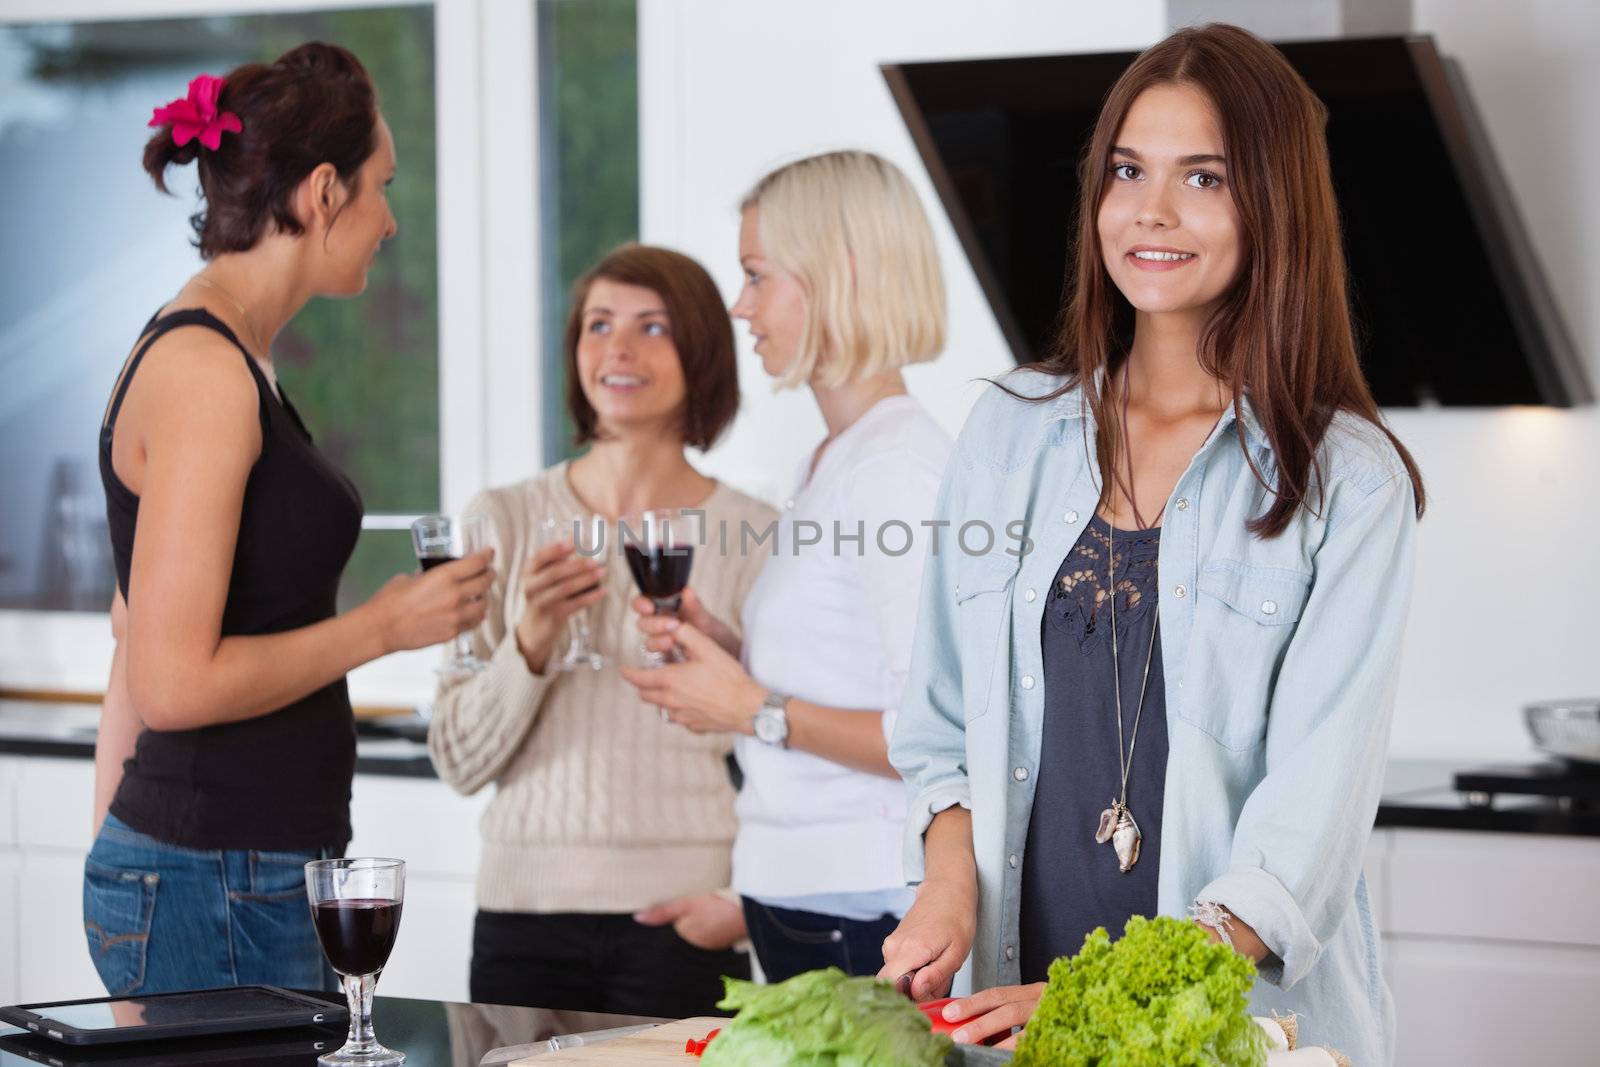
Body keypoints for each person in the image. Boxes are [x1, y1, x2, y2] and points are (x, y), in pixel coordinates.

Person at [878, 24, 1424, 1066]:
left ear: (1272, 205)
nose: (1150, 211)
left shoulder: (1348, 482)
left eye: (1203, 177)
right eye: (1127, 170)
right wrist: (945, 887)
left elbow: (1300, 841)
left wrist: (1090, 997)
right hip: (1008, 1027)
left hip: (1227, 1037)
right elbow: (939, 722)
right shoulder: (1008, 429)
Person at [85, 43, 493, 996]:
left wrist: (115, 869)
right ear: (322, 193)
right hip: (215, 877)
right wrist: (384, 627)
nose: (390, 219)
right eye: (381, 186)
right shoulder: (203, 373)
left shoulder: (234, 359)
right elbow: (173, 682)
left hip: (217, 875)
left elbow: (128, 629)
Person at [621, 150, 951, 982]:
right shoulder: (836, 457)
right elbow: (849, 669)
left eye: (758, 275)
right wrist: (732, 655)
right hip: (805, 891)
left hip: (860, 898)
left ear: (835, 274)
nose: (741, 304)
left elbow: (939, 737)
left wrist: (750, 706)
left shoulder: (895, 469)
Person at [427, 244, 776, 1018]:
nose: (617, 348)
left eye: (652, 327)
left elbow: (785, 740)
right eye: (598, 324)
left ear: (702, 352)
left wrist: (742, 901)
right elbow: (455, 758)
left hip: (688, 918)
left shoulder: (757, 534)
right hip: (523, 921)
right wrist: (530, 640)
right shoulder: (503, 518)